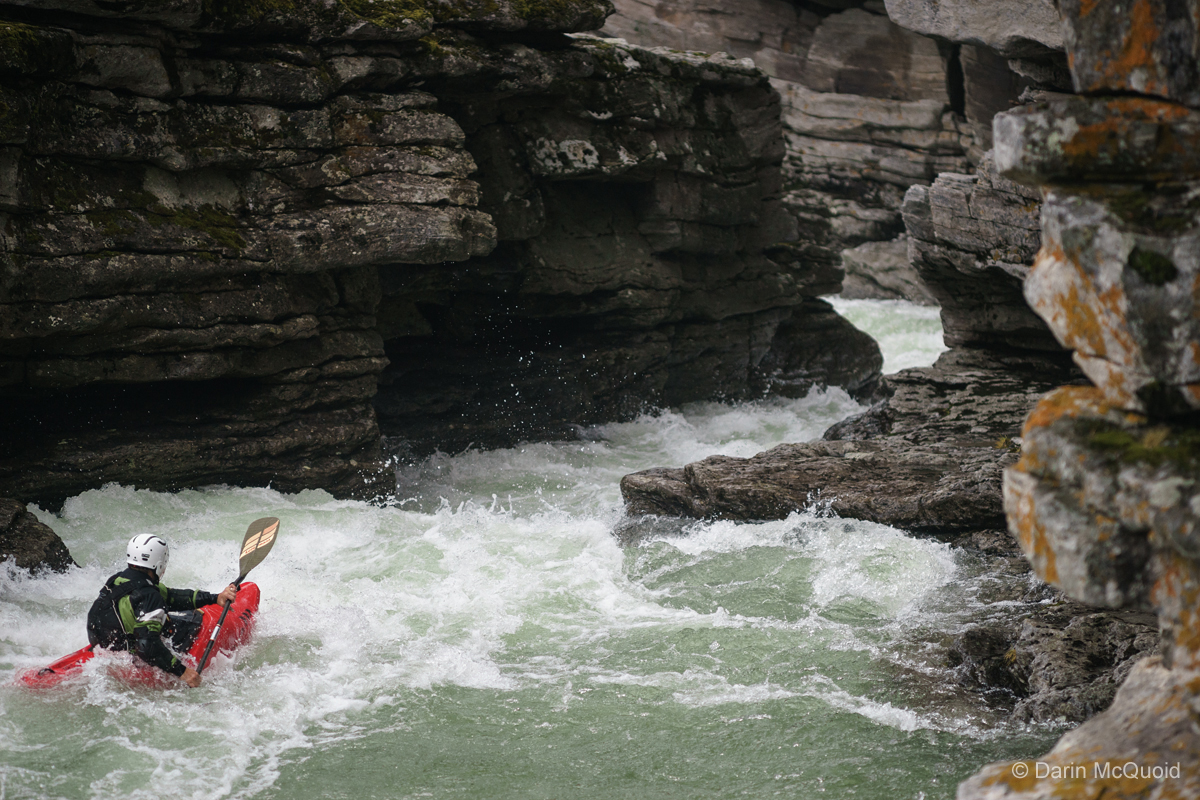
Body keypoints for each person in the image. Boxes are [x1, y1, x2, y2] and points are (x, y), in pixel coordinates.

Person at [86, 533, 237, 688]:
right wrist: (182, 672)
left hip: (103, 644)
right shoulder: (149, 595)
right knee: (186, 623)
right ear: (159, 563)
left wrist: (215, 598)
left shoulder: (118, 579)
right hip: (132, 654)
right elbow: (146, 645)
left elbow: (172, 596)